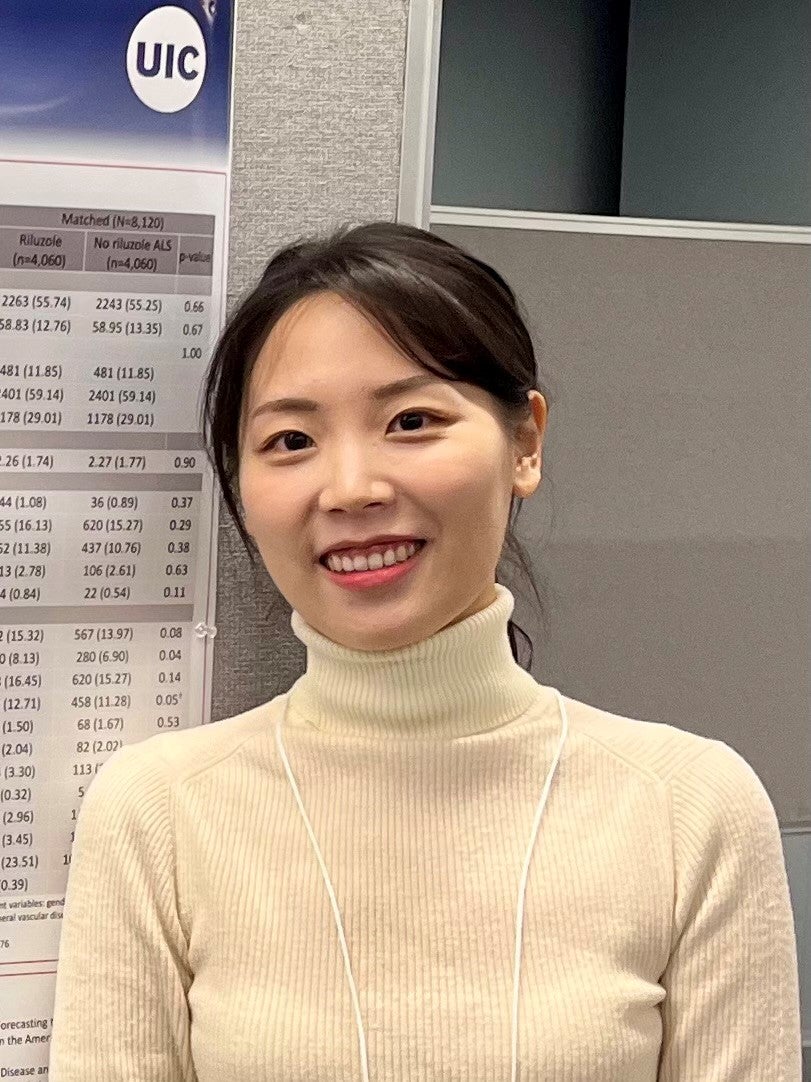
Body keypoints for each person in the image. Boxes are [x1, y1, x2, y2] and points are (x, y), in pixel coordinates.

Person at [48, 221, 802, 1080]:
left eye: (411, 420)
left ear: (525, 442)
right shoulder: (159, 814)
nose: (353, 488)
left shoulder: (688, 811)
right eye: (290, 441)